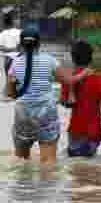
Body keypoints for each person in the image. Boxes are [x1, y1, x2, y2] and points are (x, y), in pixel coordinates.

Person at [6, 23, 86, 164]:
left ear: (22, 44)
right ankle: (47, 186)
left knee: (21, 161)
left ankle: (22, 187)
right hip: (46, 114)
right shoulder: (50, 61)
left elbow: (10, 94)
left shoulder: (15, 64)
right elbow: (68, 81)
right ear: (39, 43)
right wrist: (84, 73)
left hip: (23, 114)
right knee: (48, 162)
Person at [62, 41, 101, 158]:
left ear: (73, 58)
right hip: (93, 132)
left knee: (76, 167)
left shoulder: (68, 80)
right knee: (89, 165)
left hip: (74, 131)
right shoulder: (98, 80)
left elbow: (65, 103)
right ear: (91, 58)